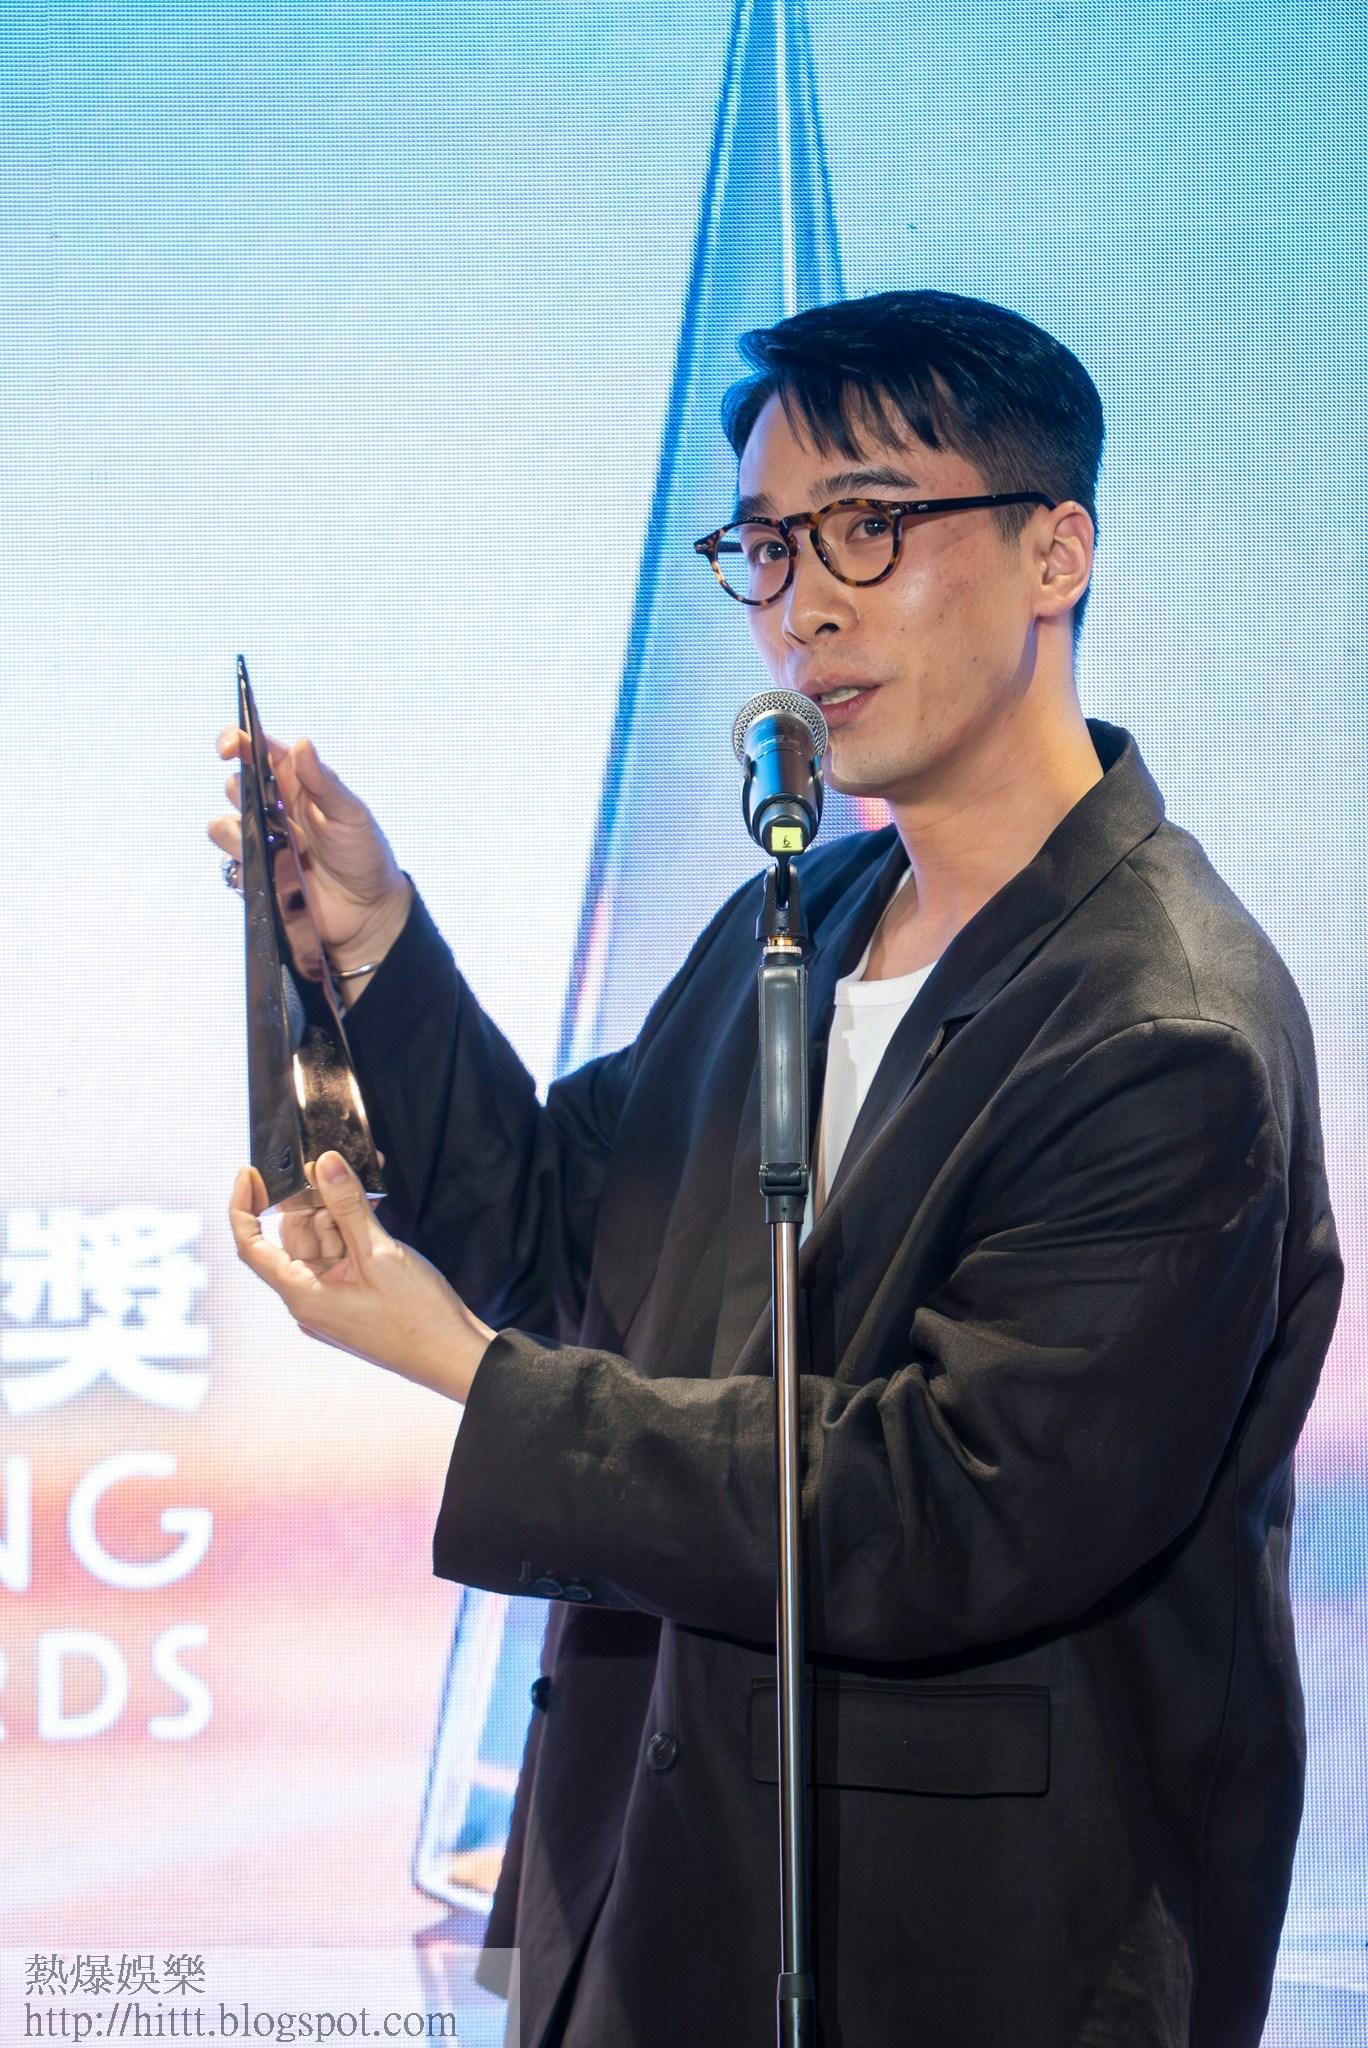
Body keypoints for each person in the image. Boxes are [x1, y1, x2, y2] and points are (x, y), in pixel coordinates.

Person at [210, 290, 1343, 2048]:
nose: (804, 603)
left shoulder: (1166, 1027)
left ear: (1057, 551)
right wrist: (367, 944)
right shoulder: (799, 915)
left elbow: (946, 1507)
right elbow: (559, 1223)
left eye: (868, 526)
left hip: (955, 1960)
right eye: (766, 545)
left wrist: (477, 1375)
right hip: (654, 1899)